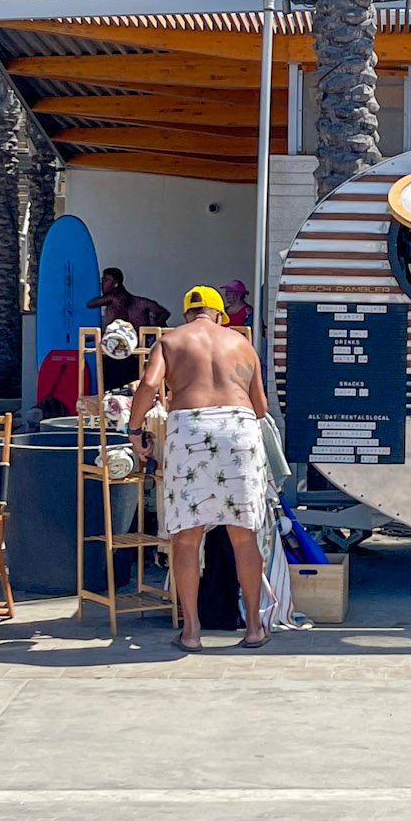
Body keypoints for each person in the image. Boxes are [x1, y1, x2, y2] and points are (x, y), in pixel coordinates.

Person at [129, 286, 272, 652]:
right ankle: (254, 627)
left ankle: (192, 632)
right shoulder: (241, 344)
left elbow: (148, 384)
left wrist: (134, 429)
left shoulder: (170, 340)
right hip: (238, 426)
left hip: (189, 427)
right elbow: (259, 407)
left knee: (188, 537)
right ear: (220, 314)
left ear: (187, 315)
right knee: (243, 535)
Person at [88, 267, 172, 332]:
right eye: (102, 280)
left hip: (124, 343)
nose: (102, 283)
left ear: (115, 284)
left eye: (106, 280)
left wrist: (153, 329)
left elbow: (90, 304)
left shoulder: (112, 299)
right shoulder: (141, 302)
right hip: (132, 343)